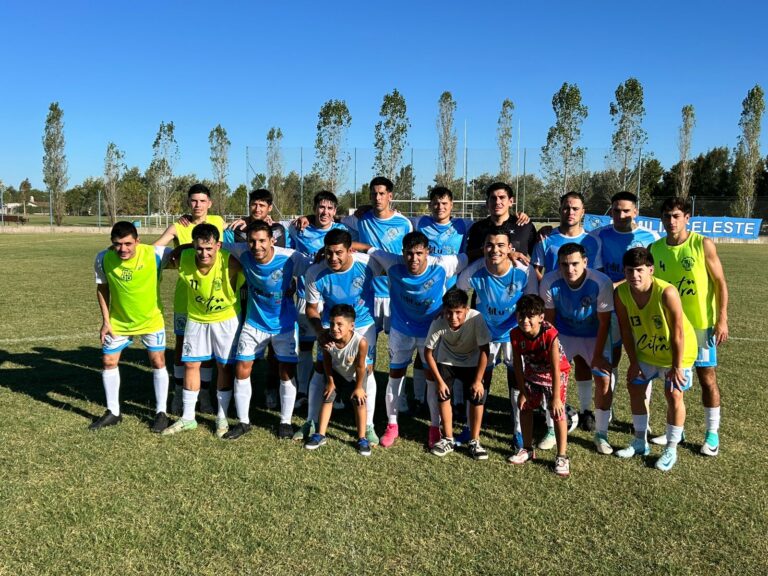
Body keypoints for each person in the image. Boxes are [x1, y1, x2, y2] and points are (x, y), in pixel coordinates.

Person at [363, 231, 467, 448]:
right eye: (409, 254)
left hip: (431, 332)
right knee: (395, 376)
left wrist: (511, 255)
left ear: (428, 252)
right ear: (403, 253)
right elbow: (366, 247)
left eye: (419, 253)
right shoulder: (393, 262)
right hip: (401, 331)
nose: (414, 259)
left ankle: (433, 427)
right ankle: (392, 425)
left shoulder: (442, 264)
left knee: (433, 379)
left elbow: (473, 255)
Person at [649, 197, 729, 456]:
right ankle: (677, 429)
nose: (671, 221)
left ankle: (712, 434)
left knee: (707, 379)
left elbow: (720, 283)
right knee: (673, 380)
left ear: (687, 218)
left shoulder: (702, 244)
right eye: (666, 216)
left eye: (676, 216)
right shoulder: (655, 248)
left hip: (701, 326)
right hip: (670, 326)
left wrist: (722, 319)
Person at [220, 220, 310, 440]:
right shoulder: (242, 252)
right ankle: (243, 422)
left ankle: (285, 421)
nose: (256, 246)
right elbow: (212, 242)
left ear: (272, 240)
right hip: (254, 323)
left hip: (284, 325)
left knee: (286, 372)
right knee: (242, 367)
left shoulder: (290, 257)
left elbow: (315, 267)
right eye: (252, 241)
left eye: (262, 241)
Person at [614, 248, 697, 472]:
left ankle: (671, 448)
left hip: (677, 353)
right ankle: (640, 442)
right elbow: (625, 329)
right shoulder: (621, 292)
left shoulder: (666, 292)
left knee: (674, 394)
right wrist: (633, 362)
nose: (635, 275)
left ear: (650, 269)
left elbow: (678, 332)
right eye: (630, 270)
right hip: (646, 352)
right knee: (635, 387)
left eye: (640, 270)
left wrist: (677, 366)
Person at [298, 228, 381, 445]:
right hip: (331, 325)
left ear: (349, 250)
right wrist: (320, 332)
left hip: (363, 324)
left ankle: (368, 426)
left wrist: (362, 245)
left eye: (339, 253)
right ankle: (311, 421)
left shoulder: (367, 263)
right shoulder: (315, 273)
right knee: (320, 369)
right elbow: (311, 309)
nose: (333, 258)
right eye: (329, 253)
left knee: (367, 371)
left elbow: (389, 259)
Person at [456, 228, 538, 450]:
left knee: (517, 383)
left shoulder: (523, 272)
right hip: (485, 336)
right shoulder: (474, 272)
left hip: (514, 335)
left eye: (501, 245)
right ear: (483, 248)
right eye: (490, 245)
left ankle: (518, 431)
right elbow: (460, 296)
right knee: (480, 382)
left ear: (510, 248)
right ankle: (470, 426)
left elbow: (532, 301)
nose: (495, 250)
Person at [91, 221, 173, 432]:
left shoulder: (155, 254)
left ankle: (161, 412)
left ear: (138, 240)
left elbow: (185, 253)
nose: (123, 249)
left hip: (151, 320)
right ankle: (113, 412)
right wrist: (106, 321)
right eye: (117, 244)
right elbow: (102, 289)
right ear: (112, 243)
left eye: (128, 243)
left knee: (158, 362)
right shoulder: (103, 258)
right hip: (118, 322)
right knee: (108, 361)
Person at [162, 224, 243, 437]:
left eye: (209, 248)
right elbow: (158, 259)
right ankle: (188, 418)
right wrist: (182, 248)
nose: (204, 253)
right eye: (199, 248)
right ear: (193, 246)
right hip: (196, 318)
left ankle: (222, 417)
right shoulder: (182, 258)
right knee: (191, 364)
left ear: (218, 245)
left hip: (225, 319)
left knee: (224, 366)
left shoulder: (231, 262)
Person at [154, 183, 225, 415]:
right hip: (185, 297)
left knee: (206, 353)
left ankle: (204, 397)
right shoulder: (178, 226)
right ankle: (177, 395)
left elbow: (247, 226)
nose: (197, 205)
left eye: (202, 201)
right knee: (181, 345)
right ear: (188, 203)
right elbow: (156, 248)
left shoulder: (218, 222)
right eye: (193, 201)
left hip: (213, 299)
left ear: (209, 203)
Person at [540, 243, 614, 453]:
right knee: (550, 377)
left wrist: (598, 355)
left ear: (585, 262)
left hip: (593, 335)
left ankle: (601, 434)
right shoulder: (550, 280)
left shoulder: (601, 282)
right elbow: (550, 321)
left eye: (574, 264)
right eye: (564, 265)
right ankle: (551, 429)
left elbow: (604, 323)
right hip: (563, 333)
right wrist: (550, 353)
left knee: (604, 378)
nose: (569, 269)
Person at [590, 191, 660, 405]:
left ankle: (643, 417)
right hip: (611, 307)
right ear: (611, 211)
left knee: (645, 360)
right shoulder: (598, 235)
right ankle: (607, 410)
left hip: (642, 307)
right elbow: (598, 273)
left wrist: (616, 284)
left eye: (626, 211)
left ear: (636, 212)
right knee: (612, 359)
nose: (621, 215)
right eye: (617, 210)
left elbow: (652, 275)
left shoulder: (651, 238)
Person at [225, 188, 288, 411]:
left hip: (271, 296)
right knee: (238, 343)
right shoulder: (236, 229)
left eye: (262, 205)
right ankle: (234, 391)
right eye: (254, 204)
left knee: (274, 349)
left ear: (270, 208)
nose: (257, 208)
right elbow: (223, 249)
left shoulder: (278, 229)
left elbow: (280, 256)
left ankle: (271, 388)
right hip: (243, 292)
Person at [286, 191, 348, 410]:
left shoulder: (342, 231)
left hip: (331, 300)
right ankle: (302, 391)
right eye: (321, 207)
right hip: (305, 297)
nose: (325, 212)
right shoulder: (298, 228)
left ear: (335, 211)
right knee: (305, 347)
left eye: (330, 208)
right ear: (314, 209)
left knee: (334, 347)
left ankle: (335, 391)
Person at [508, 295, 571, 478]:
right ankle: (527, 449)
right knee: (525, 406)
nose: (525, 321)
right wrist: (522, 391)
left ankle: (562, 456)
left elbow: (555, 366)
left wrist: (557, 397)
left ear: (541, 317)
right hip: (532, 373)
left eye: (530, 317)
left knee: (557, 412)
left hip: (554, 374)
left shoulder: (550, 334)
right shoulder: (515, 334)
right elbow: (518, 365)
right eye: (521, 316)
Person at [423, 288, 491, 460]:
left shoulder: (476, 318)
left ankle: (474, 441)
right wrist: (439, 381)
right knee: (444, 395)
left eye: (458, 313)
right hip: (447, 360)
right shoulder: (438, 322)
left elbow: (485, 350)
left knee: (477, 396)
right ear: (444, 310)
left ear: (466, 310)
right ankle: (448, 438)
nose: (453, 318)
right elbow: (428, 352)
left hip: (472, 361)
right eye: (449, 313)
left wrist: (478, 380)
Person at [342, 176, 413, 335]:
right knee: (366, 341)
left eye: (381, 193)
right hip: (367, 291)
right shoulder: (360, 219)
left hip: (394, 292)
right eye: (374, 194)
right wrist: (308, 218)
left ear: (390, 196)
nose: (377, 198)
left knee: (397, 341)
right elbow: (335, 223)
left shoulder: (404, 223)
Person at [303, 305, 372, 456]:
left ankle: (362, 438)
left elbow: (361, 367)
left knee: (359, 401)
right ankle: (320, 434)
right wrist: (330, 381)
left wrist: (359, 387)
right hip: (336, 371)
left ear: (351, 326)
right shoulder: (327, 338)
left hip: (356, 375)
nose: (335, 328)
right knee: (328, 396)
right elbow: (326, 360)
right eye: (332, 323)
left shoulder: (361, 342)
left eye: (340, 324)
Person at [532, 191, 602, 280]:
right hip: (553, 293)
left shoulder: (594, 240)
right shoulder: (545, 237)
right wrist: (546, 286)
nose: (570, 212)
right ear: (560, 210)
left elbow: (598, 272)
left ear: (583, 212)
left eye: (575, 209)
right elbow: (535, 270)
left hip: (585, 294)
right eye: (566, 208)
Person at [465, 182, 537, 259]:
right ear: (487, 203)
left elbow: (538, 259)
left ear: (511, 201)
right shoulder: (478, 228)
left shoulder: (525, 226)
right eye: (493, 198)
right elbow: (470, 257)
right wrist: (505, 253)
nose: (497, 202)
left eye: (502, 197)